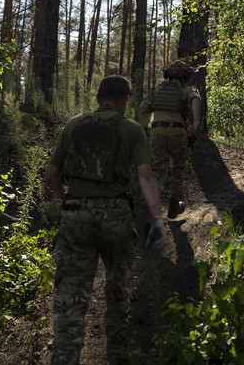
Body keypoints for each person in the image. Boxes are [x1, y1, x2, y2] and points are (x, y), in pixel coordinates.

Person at [43, 75, 165, 365]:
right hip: (115, 216)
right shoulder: (132, 129)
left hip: (76, 214)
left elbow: (51, 174)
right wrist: (157, 219)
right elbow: (146, 177)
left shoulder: (73, 124)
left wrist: (66, 200)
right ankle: (118, 357)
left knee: (70, 299)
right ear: (125, 100)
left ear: (98, 98)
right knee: (118, 292)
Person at [138, 59, 201, 218]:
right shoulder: (187, 89)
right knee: (179, 168)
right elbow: (196, 99)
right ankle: (174, 205)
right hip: (178, 133)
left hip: (157, 133)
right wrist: (195, 124)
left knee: (158, 170)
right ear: (186, 76)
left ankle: (151, 209)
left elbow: (142, 109)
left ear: (167, 75)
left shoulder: (158, 89)